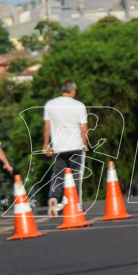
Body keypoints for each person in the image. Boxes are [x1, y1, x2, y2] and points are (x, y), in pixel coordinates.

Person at [43, 80, 89, 216]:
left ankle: (54, 198)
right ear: (73, 90)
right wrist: (85, 143)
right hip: (76, 145)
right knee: (76, 175)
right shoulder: (79, 105)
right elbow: (83, 127)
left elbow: (47, 126)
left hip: (59, 147)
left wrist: (46, 144)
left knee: (58, 174)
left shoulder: (50, 105)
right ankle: (77, 205)